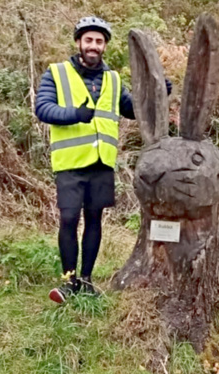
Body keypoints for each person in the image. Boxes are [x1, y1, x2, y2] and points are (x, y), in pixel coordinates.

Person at [35, 16, 172, 304]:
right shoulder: (56, 73)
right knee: (69, 218)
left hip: (101, 163)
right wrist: (74, 115)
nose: (93, 46)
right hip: (70, 163)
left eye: (99, 41)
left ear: (104, 46)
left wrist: (157, 93)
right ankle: (68, 281)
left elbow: (131, 109)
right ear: (78, 42)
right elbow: (43, 108)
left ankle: (86, 280)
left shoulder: (112, 79)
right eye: (89, 40)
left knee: (95, 220)